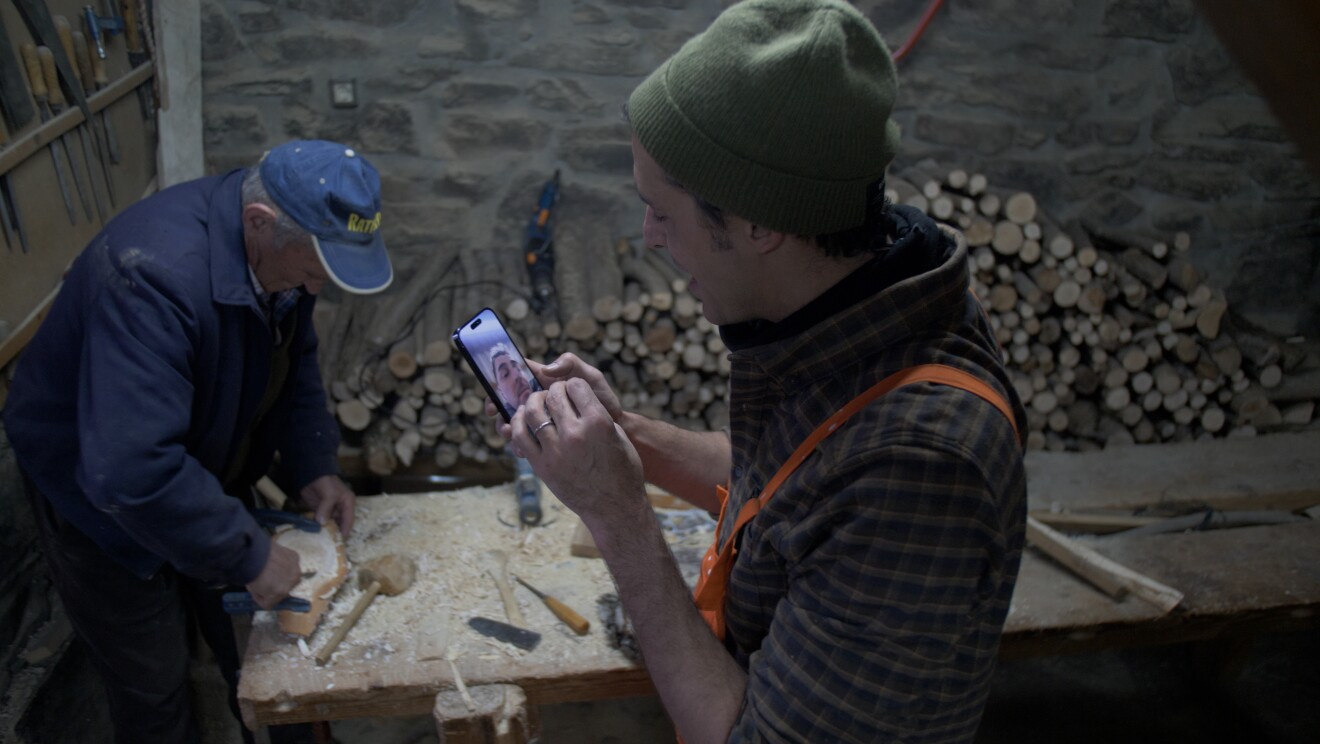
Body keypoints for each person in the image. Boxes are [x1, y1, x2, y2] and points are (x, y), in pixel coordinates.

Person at [497, 2, 1028, 742]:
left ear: (759, 224)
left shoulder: (918, 467)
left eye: (663, 214)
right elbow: (787, 484)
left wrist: (617, 515)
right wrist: (625, 440)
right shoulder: (860, 311)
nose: (648, 238)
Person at [3, 140, 393, 744]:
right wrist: (244, 554)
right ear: (260, 225)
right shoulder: (151, 277)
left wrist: (315, 464)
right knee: (153, 677)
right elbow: (129, 470)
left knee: (266, 646)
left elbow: (293, 363)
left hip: (193, 457)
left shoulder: (277, 260)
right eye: (318, 267)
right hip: (99, 493)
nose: (321, 287)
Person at [489, 342, 536, 414]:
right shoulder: (509, 417)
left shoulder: (541, 387)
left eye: (518, 368)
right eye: (505, 374)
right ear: (500, 390)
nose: (517, 375)